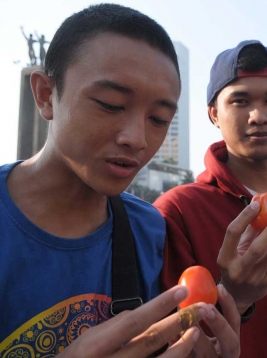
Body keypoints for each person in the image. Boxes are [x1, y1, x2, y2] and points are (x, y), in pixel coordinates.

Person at [0, 4, 239, 357]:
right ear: (46, 95)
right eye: (110, 104)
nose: (137, 138)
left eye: (159, 119)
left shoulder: (150, 231)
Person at [154, 40, 267, 357]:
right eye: (240, 101)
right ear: (213, 114)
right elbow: (172, 337)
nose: (258, 115)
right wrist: (235, 295)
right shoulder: (178, 211)